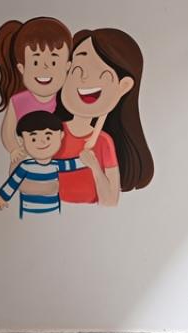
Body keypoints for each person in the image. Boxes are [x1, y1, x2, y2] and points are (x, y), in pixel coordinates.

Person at [55, 28, 154, 206]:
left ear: (123, 86)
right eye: (77, 68)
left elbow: (109, 201)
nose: (84, 77)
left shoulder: (103, 142)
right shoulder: (53, 133)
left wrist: (94, 165)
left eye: (100, 71)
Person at [0, 17, 73, 170]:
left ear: (67, 66)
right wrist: (15, 150)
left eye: (54, 62)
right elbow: (8, 132)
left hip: (63, 164)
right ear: (21, 68)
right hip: (27, 163)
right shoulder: (18, 101)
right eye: (35, 62)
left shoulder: (68, 99)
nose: (45, 69)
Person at [0, 111, 101, 218]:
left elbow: (72, 164)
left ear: (61, 136)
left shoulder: (56, 165)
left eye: (48, 137)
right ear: (22, 140)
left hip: (53, 211)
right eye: (34, 139)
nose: (42, 142)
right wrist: (3, 197)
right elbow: (13, 183)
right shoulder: (25, 167)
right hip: (29, 212)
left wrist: (87, 159)